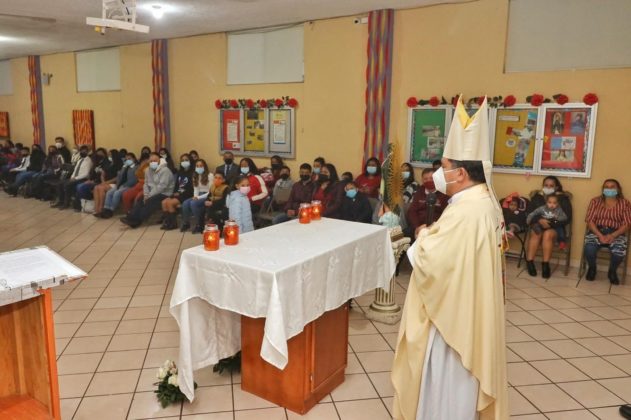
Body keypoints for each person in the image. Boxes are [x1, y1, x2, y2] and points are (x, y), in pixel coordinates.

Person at [392, 97, 507, 420]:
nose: (438, 174)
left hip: (453, 316)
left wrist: (423, 235)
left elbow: (435, 261)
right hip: (468, 303)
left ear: (461, 173)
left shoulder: (467, 210)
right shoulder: (482, 200)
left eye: (443, 167)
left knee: (447, 377)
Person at [583, 179, 631, 284]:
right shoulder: (595, 201)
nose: (609, 189)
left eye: (612, 187)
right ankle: (592, 268)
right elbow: (590, 221)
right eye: (606, 187)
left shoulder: (625, 203)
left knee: (619, 252)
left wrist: (613, 235)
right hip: (597, 230)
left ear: (618, 189)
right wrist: (600, 235)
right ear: (603, 189)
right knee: (589, 249)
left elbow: (627, 224)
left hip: (617, 232)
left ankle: (612, 271)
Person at [525, 176, 573, 277]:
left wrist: (550, 223)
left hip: (555, 227)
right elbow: (529, 213)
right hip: (538, 223)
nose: (548, 187)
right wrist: (539, 220)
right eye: (546, 185)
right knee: (536, 232)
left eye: (551, 185)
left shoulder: (563, 198)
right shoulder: (537, 197)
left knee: (547, 234)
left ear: (556, 187)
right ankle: (529, 262)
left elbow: (567, 217)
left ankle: (545, 265)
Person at [121, 152, 175, 228]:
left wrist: (149, 195)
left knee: (150, 201)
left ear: (159, 161)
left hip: (165, 193)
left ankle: (138, 220)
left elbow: (162, 186)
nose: (153, 163)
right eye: (151, 161)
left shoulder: (165, 170)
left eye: (155, 161)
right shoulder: (148, 170)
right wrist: (146, 194)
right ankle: (131, 218)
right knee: (141, 199)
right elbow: (146, 184)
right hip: (152, 192)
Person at [405, 168, 449, 238]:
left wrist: (434, 227)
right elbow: (412, 211)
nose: (429, 181)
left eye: (431, 178)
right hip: (418, 226)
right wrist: (417, 227)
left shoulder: (444, 194)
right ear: (422, 180)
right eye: (425, 179)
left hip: (436, 228)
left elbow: (446, 214)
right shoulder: (419, 192)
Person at [98, 153, 139, 219]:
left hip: (130, 186)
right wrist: (118, 184)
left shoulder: (136, 167)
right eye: (126, 159)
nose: (128, 160)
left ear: (134, 159)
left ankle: (111, 210)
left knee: (117, 193)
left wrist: (123, 186)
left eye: (129, 159)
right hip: (120, 185)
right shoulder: (125, 167)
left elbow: (133, 180)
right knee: (109, 192)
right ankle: (106, 209)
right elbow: (119, 177)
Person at [160, 154, 194, 230]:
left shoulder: (193, 173)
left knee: (170, 203)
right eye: (182, 160)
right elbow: (176, 185)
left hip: (187, 194)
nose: (184, 162)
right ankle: (167, 222)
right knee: (164, 202)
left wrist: (180, 193)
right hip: (178, 194)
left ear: (190, 161)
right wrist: (174, 193)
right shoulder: (180, 172)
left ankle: (173, 224)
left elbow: (192, 188)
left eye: (186, 160)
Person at [53, 145, 93, 209]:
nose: (82, 153)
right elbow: (75, 170)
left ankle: (66, 203)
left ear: (88, 152)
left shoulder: (88, 161)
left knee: (67, 185)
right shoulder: (80, 160)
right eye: (81, 151)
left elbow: (86, 174)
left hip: (83, 179)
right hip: (74, 178)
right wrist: (72, 176)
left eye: (84, 151)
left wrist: (75, 178)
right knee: (60, 183)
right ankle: (60, 201)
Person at [74, 148, 112, 212]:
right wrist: (89, 179)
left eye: (101, 153)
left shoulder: (107, 164)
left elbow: (104, 176)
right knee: (78, 186)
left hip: (99, 182)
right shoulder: (96, 163)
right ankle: (79, 205)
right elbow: (92, 174)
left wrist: (93, 181)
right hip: (93, 180)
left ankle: (87, 201)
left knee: (81, 187)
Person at [180, 158, 211, 233]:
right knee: (185, 203)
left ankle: (199, 224)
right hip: (198, 195)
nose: (199, 167)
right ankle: (186, 223)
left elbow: (210, 191)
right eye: (197, 166)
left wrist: (198, 197)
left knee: (193, 203)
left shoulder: (210, 175)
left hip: (207, 195)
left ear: (204, 166)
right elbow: (196, 188)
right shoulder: (195, 175)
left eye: (201, 166)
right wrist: (195, 196)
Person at [91, 149, 123, 215]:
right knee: (96, 188)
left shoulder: (120, 164)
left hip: (114, 183)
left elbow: (118, 177)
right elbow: (103, 174)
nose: (109, 156)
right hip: (105, 182)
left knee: (101, 188)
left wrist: (107, 182)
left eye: (110, 155)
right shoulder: (107, 163)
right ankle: (96, 208)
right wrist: (103, 181)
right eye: (108, 155)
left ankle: (101, 208)